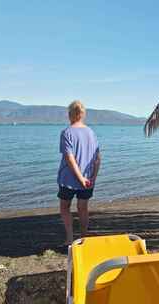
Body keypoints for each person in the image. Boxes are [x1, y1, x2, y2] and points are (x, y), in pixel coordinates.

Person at [57, 100, 101, 246]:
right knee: (83, 208)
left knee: (65, 207)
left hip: (68, 180)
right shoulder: (91, 132)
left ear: (70, 114)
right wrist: (93, 176)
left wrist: (80, 178)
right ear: (83, 115)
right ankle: (83, 237)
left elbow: (70, 159)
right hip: (88, 179)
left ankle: (70, 238)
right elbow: (97, 158)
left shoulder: (67, 133)